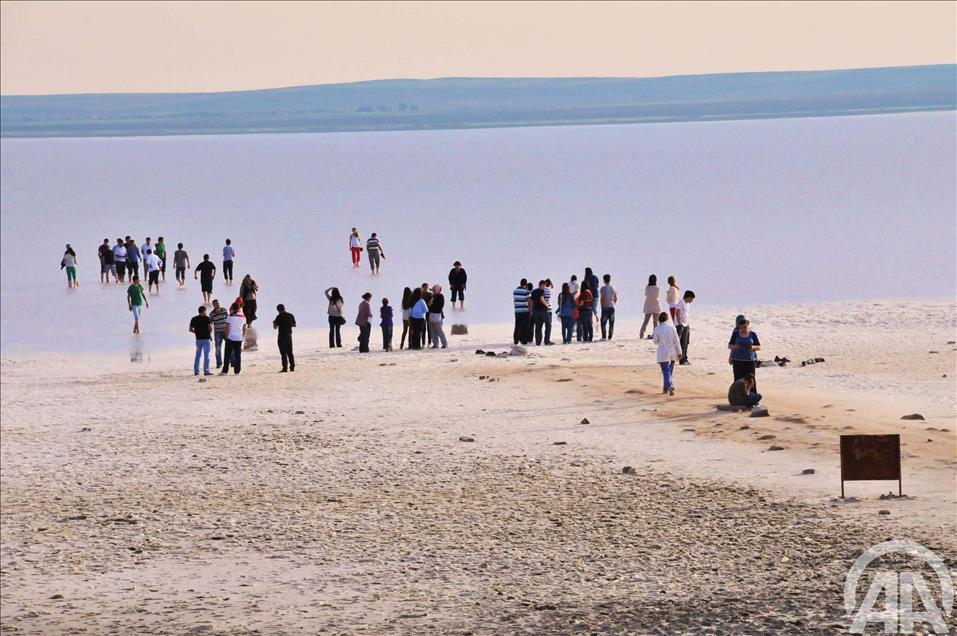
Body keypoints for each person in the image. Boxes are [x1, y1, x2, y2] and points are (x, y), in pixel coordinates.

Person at [729, 316, 762, 391]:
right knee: (738, 379)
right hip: (738, 360)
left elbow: (758, 346)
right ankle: (738, 396)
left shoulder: (752, 334)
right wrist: (731, 355)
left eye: (745, 326)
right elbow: (731, 346)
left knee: (751, 380)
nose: (744, 328)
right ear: (739, 325)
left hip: (750, 360)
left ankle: (752, 396)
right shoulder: (736, 333)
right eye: (742, 326)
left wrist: (753, 348)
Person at [653, 312, 682, 395]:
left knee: (666, 372)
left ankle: (669, 385)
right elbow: (677, 341)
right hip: (672, 352)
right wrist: (679, 352)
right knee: (669, 372)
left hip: (662, 353)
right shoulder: (672, 327)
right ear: (667, 319)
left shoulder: (657, 329)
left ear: (659, 320)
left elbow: (655, 342)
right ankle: (665, 389)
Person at [221, 302, 246, 374]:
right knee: (238, 355)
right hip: (239, 337)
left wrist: (226, 336)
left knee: (227, 355)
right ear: (239, 308)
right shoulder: (243, 316)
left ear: (232, 308)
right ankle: (237, 371)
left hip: (231, 337)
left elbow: (227, 327)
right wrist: (242, 335)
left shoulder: (230, 316)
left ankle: (225, 371)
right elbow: (244, 327)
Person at [188, 305, 214, 376]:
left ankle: (196, 371)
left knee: (198, 355)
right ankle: (206, 371)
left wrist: (196, 332)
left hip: (198, 339)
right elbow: (210, 329)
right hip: (206, 339)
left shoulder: (194, 319)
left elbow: (190, 329)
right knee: (206, 355)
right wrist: (209, 334)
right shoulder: (206, 318)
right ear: (204, 311)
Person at [273, 304, 297, 372]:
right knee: (290, 352)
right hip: (289, 336)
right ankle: (292, 367)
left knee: (283, 353)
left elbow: (275, 327)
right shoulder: (290, 315)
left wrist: (274, 323)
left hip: (281, 336)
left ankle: (285, 368)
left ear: (278, 310)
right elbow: (294, 325)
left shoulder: (279, 316)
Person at [675, 290, 695, 365]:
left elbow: (685, 314)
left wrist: (687, 324)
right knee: (679, 342)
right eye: (691, 299)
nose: (692, 301)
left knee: (685, 342)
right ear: (688, 297)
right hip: (680, 325)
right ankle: (678, 358)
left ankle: (684, 359)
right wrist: (680, 322)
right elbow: (677, 313)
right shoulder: (681, 303)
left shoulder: (687, 304)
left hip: (686, 324)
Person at [640, 275, 662, 339]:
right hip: (656, 305)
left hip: (648, 305)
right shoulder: (657, 288)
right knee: (655, 322)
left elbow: (646, 294)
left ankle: (641, 334)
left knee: (646, 321)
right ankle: (655, 334)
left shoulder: (647, 287)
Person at [529, 280, 550, 346]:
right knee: (548, 324)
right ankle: (546, 341)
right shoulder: (541, 291)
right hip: (543, 310)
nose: (545, 287)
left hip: (535, 311)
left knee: (538, 326)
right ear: (541, 285)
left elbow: (531, 300)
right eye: (544, 285)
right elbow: (541, 298)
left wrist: (531, 310)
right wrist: (546, 305)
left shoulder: (533, 291)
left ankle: (538, 342)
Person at [209, 299, 228, 369]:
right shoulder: (212, 314)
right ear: (213, 305)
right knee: (218, 348)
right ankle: (219, 363)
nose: (217, 304)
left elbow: (228, 321)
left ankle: (232, 361)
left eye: (218, 303)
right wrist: (209, 333)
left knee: (230, 346)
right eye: (216, 304)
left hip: (226, 331)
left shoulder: (224, 310)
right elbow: (210, 324)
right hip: (217, 333)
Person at [512, 278, 531, 345]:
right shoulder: (527, 291)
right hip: (525, 311)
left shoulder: (515, 291)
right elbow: (529, 301)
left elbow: (515, 301)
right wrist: (530, 310)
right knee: (525, 326)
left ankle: (516, 340)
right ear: (526, 284)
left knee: (517, 325)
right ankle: (524, 340)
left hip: (517, 310)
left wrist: (516, 307)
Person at [599, 274, 618, 340]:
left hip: (605, 307)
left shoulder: (603, 288)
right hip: (611, 307)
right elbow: (616, 298)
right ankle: (610, 336)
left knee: (603, 323)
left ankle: (604, 336)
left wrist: (601, 307)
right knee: (611, 323)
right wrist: (613, 303)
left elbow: (602, 298)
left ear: (604, 280)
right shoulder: (613, 288)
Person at [568, 275, 581, 341]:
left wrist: (570, 295)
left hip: (570, 300)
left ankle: (571, 332)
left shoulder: (568, 283)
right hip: (576, 299)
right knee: (577, 317)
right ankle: (579, 335)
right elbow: (577, 291)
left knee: (572, 316)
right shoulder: (577, 283)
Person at [543, 279, 555, 345]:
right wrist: (551, 282)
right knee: (548, 326)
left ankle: (538, 340)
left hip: (542, 310)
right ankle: (547, 340)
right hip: (549, 309)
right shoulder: (549, 290)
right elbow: (553, 287)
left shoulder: (542, 290)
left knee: (540, 326)